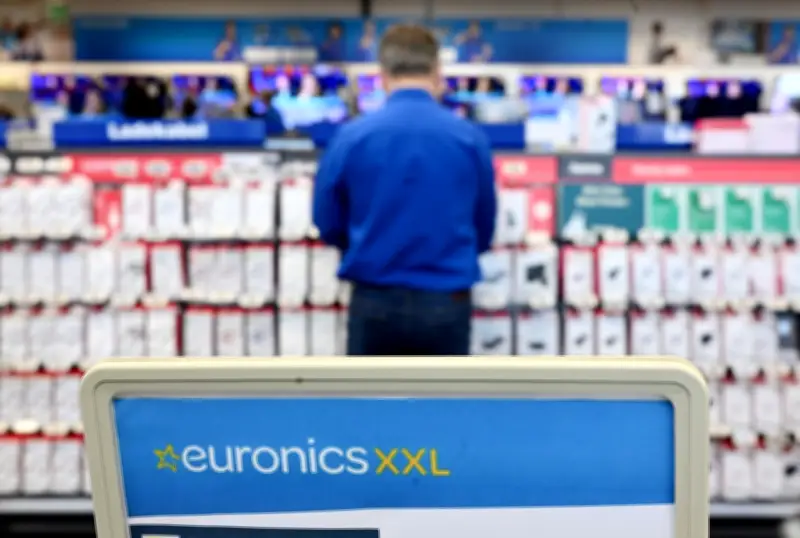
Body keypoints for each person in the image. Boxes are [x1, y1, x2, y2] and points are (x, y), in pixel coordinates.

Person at [312, 24, 497, 356]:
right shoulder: (468, 138)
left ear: (382, 75)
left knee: (372, 391)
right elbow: (485, 223)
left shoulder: (352, 137)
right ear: (437, 71)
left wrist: (362, 243)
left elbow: (326, 221)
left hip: (374, 297)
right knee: (445, 391)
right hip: (447, 298)